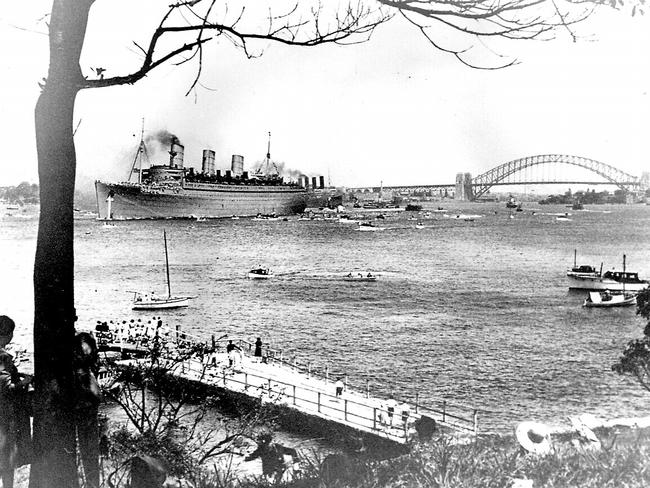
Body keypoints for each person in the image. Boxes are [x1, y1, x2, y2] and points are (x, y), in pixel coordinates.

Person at [0, 316, 32, 488]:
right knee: (6, 458)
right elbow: (6, 388)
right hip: (5, 415)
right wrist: (24, 382)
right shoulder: (3, 357)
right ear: (9, 334)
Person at [73, 332, 102, 488]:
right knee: (89, 454)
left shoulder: (86, 371)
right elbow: (96, 395)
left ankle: (92, 484)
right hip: (84, 413)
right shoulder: (84, 373)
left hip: (87, 413)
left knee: (89, 455)